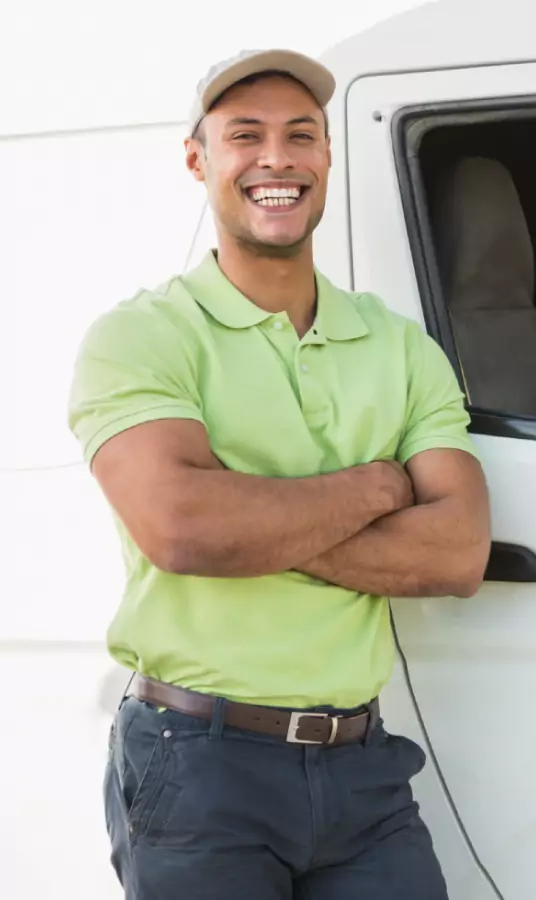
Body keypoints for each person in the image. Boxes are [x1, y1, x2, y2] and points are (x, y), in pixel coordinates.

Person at [66, 48, 491, 899]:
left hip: (361, 769)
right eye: (244, 136)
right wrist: (377, 488)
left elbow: (456, 555)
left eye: (301, 136)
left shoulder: (399, 346)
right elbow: (185, 529)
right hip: (198, 766)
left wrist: (251, 514)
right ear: (199, 160)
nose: (276, 160)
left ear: (327, 158)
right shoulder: (142, 337)